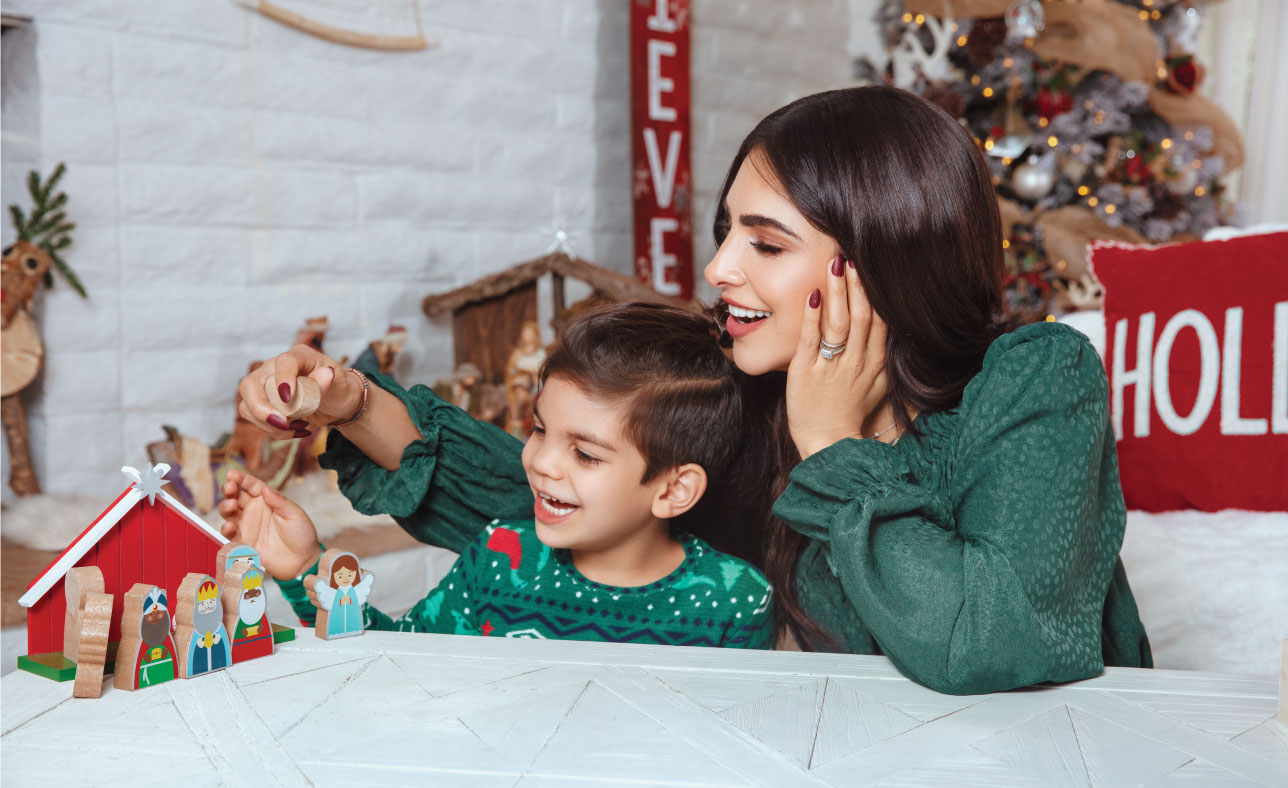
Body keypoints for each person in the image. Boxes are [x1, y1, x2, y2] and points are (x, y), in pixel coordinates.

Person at [234, 86, 1148, 693]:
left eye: (766, 242)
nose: (718, 267)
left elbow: (992, 645)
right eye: (726, 233)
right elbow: (567, 497)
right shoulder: (747, 388)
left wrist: (835, 446)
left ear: (876, 259)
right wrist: (353, 403)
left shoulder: (1036, 379)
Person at [221, 304, 774, 648]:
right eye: (539, 429)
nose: (540, 462)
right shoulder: (499, 556)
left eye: (585, 454)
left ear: (673, 489)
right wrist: (302, 566)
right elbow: (397, 661)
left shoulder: (735, 603)